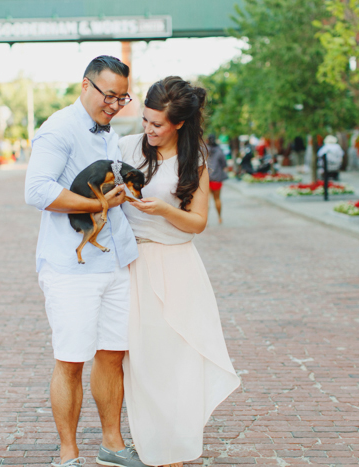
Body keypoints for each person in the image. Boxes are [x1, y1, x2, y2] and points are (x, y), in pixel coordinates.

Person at [24, 56, 148, 467]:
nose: (114, 105)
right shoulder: (59, 128)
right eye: (108, 95)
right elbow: (37, 191)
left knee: (113, 355)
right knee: (72, 360)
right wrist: (96, 202)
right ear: (85, 85)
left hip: (115, 262)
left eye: (122, 97)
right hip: (70, 269)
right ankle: (68, 455)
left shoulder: (111, 135)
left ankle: (112, 445)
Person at [119, 76, 240, 467]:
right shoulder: (125, 148)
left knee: (176, 357)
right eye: (146, 120)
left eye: (157, 124)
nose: (148, 130)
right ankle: (150, 439)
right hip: (133, 264)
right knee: (141, 359)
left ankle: (174, 445)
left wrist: (165, 210)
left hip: (177, 264)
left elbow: (198, 223)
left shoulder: (195, 161)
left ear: (179, 124)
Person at [206, 134, 227, 224]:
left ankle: (206, 221)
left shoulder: (204, 150)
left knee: (206, 200)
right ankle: (219, 218)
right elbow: (224, 165)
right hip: (217, 178)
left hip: (206, 178)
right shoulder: (219, 151)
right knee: (217, 199)